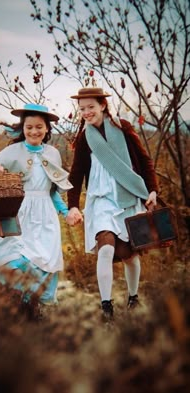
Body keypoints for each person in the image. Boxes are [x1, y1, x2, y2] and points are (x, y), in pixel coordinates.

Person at [66, 87, 158, 320]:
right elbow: (76, 175)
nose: (86, 112)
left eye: (91, 107)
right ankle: (106, 306)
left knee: (130, 255)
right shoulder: (84, 137)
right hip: (100, 201)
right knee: (105, 249)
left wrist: (153, 190)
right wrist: (73, 205)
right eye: (82, 109)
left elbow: (145, 161)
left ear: (103, 105)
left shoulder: (122, 128)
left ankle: (133, 298)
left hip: (127, 198)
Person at [0, 103, 72, 309]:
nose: (34, 131)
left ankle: (32, 308)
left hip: (45, 216)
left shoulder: (52, 154)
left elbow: (53, 191)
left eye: (39, 126)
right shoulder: (10, 153)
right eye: (29, 127)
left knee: (44, 260)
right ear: (23, 128)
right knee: (14, 257)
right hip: (18, 213)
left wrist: (65, 212)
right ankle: (14, 304)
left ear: (47, 128)